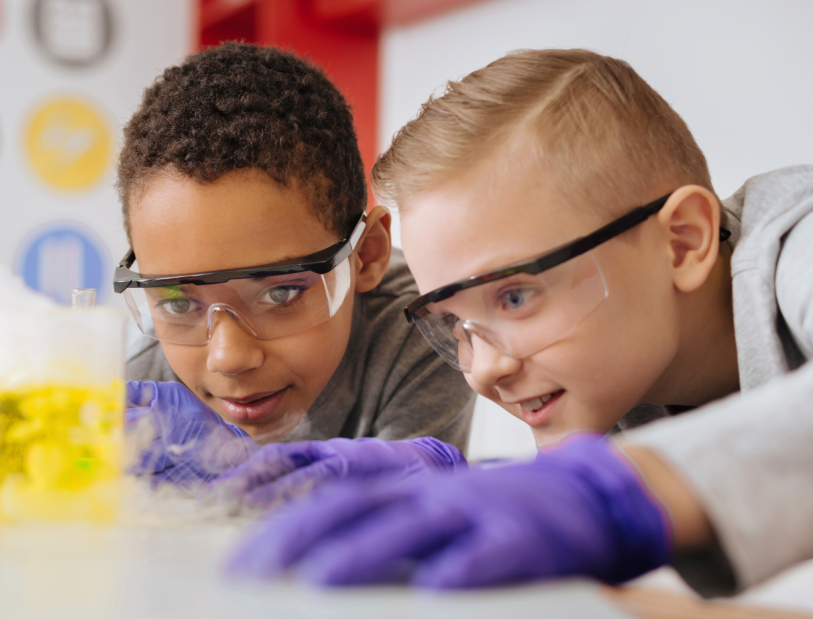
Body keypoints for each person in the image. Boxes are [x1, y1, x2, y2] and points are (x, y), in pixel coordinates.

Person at [225, 49, 813, 597]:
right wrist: (463, 482)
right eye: (454, 322)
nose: (485, 370)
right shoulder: (625, 370)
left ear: (682, 242)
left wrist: (615, 490)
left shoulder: (800, 246)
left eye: (514, 298)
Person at [114, 43, 474, 490]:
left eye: (280, 293)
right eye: (177, 302)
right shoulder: (141, 381)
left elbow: (402, 539)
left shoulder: (424, 335)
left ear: (366, 255)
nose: (229, 358)